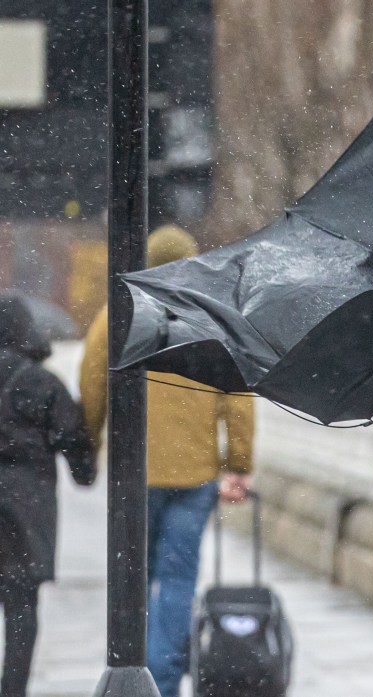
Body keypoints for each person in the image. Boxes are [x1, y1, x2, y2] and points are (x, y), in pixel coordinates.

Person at [78, 224, 255, 697]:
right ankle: (163, 679)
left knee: (133, 577)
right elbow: (238, 394)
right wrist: (237, 462)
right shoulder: (210, 318)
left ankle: (131, 667)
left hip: (133, 476)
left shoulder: (117, 313)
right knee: (178, 580)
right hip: (195, 474)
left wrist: (89, 447)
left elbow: (93, 384)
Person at [0, 295, 96, 697]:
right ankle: (13, 689)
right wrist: (82, 469)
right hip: (26, 509)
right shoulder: (42, 383)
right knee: (22, 606)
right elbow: (77, 447)